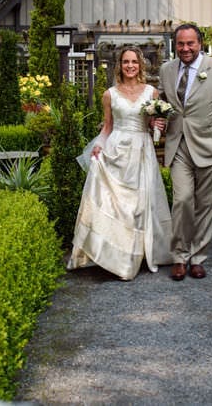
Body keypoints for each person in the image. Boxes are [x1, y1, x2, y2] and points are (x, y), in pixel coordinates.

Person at [67, 46, 174, 280]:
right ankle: (115, 256)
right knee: (115, 204)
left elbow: (152, 124)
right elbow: (107, 127)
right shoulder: (110, 94)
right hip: (116, 149)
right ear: (120, 66)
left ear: (140, 65)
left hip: (141, 150)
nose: (130, 66)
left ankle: (139, 253)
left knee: (139, 204)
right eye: (126, 62)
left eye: (134, 62)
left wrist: (156, 126)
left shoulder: (151, 93)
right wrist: (99, 144)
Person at [154, 23, 212, 281]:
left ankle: (197, 257)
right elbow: (163, 105)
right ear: (175, 45)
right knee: (182, 200)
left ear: (200, 43)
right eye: (180, 44)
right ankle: (179, 257)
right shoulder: (167, 70)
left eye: (190, 43)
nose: (185, 48)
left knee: (206, 206)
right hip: (178, 145)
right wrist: (155, 120)